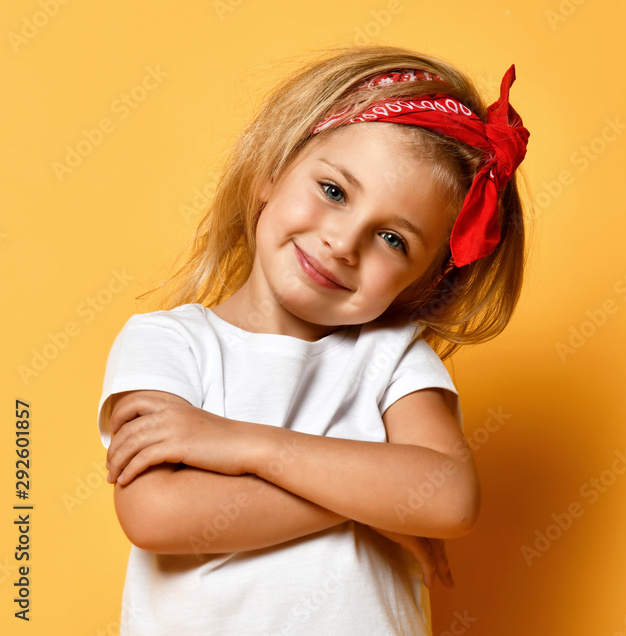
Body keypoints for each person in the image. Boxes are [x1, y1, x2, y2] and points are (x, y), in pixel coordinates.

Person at [96, 44, 530, 635]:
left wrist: (244, 446)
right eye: (333, 191)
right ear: (271, 172)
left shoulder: (394, 358)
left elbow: (448, 497)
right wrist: (375, 507)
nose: (344, 242)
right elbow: (156, 514)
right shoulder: (172, 342)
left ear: (422, 283)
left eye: (394, 240)